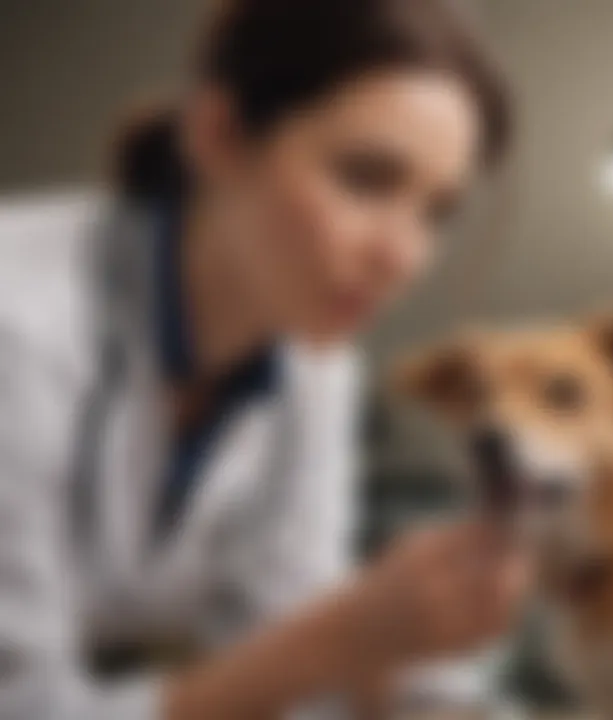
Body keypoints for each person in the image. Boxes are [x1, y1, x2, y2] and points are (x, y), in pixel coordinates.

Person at [0, 0, 524, 718]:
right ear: (218, 133)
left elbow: (283, 622)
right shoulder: (19, 321)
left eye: (436, 212)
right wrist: (341, 638)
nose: (403, 257)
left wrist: (422, 681)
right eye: (367, 178)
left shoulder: (313, 357)